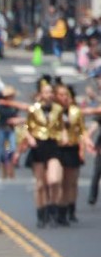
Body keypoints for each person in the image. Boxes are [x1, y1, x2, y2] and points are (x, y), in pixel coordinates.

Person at [24, 77, 64, 228]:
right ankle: (41, 214)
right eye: (46, 92)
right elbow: (26, 128)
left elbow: (61, 127)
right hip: (38, 145)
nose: (49, 95)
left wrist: (63, 135)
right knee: (40, 184)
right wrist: (30, 138)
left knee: (53, 180)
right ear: (41, 94)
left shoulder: (58, 109)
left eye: (51, 92)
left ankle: (53, 208)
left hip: (53, 145)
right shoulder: (33, 109)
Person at [54, 82, 91, 223]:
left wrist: (85, 144)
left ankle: (69, 210)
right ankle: (57, 209)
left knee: (70, 183)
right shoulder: (54, 111)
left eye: (66, 95)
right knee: (58, 180)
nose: (64, 98)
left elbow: (82, 130)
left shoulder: (76, 111)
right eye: (61, 95)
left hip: (72, 148)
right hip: (57, 149)